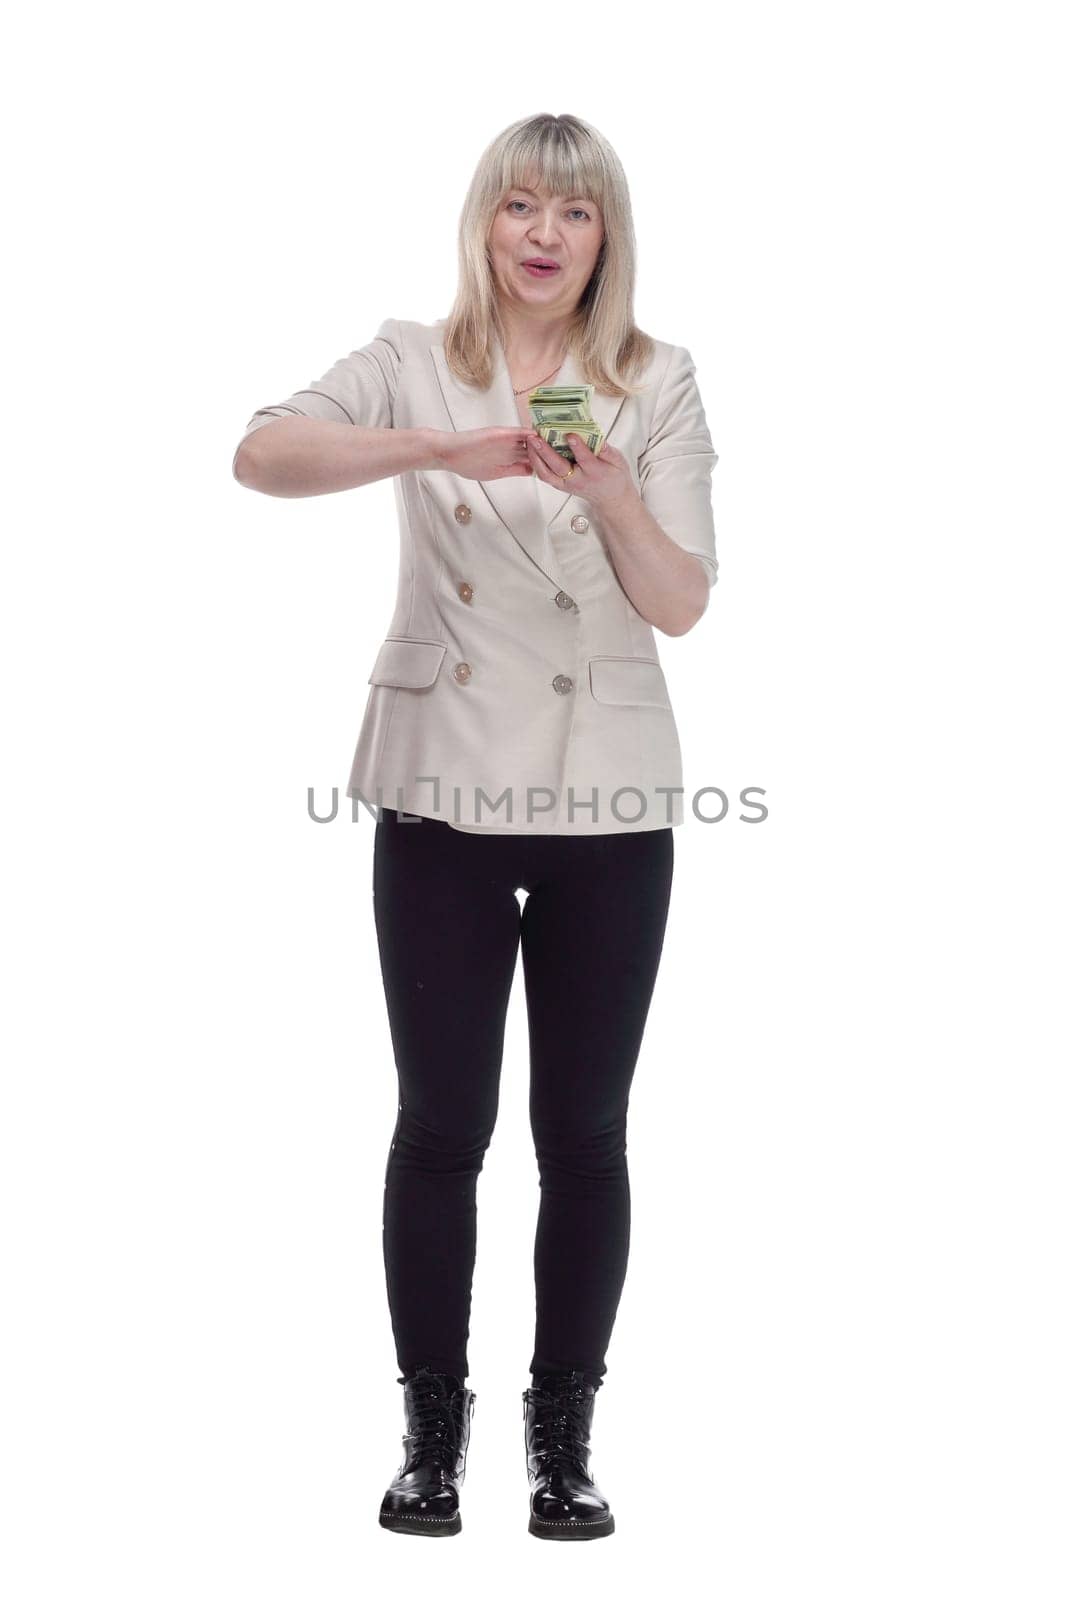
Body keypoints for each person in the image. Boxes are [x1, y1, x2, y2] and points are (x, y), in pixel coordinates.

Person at [232, 111, 720, 1541]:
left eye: (572, 212)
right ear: (485, 225)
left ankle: (562, 1445)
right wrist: (446, 447)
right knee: (441, 1126)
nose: (544, 234)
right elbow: (260, 455)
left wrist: (612, 490)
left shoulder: (658, 381)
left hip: (608, 790)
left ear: (606, 235)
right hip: (440, 772)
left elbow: (682, 602)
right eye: (519, 206)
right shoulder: (408, 355)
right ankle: (428, 1441)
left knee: (587, 1132)